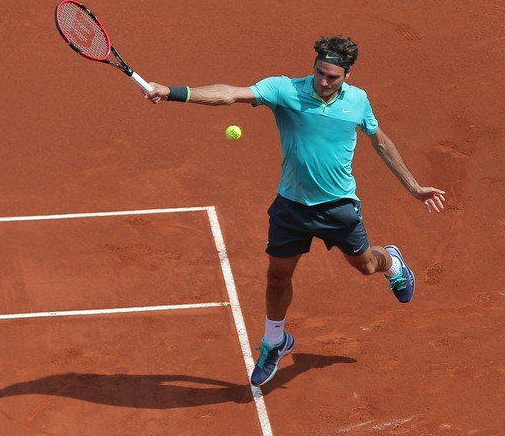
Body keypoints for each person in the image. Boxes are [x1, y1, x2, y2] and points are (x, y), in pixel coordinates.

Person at [144, 36, 446, 387]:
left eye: (333, 76)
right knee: (276, 277)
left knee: (365, 266)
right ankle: (275, 341)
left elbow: (379, 140)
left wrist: (412, 186)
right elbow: (230, 94)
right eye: (320, 72)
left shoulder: (358, 101)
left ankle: (392, 262)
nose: (324, 81)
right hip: (292, 207)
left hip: (339, 207)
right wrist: (172, 91)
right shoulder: (284, 90)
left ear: (347, 74)